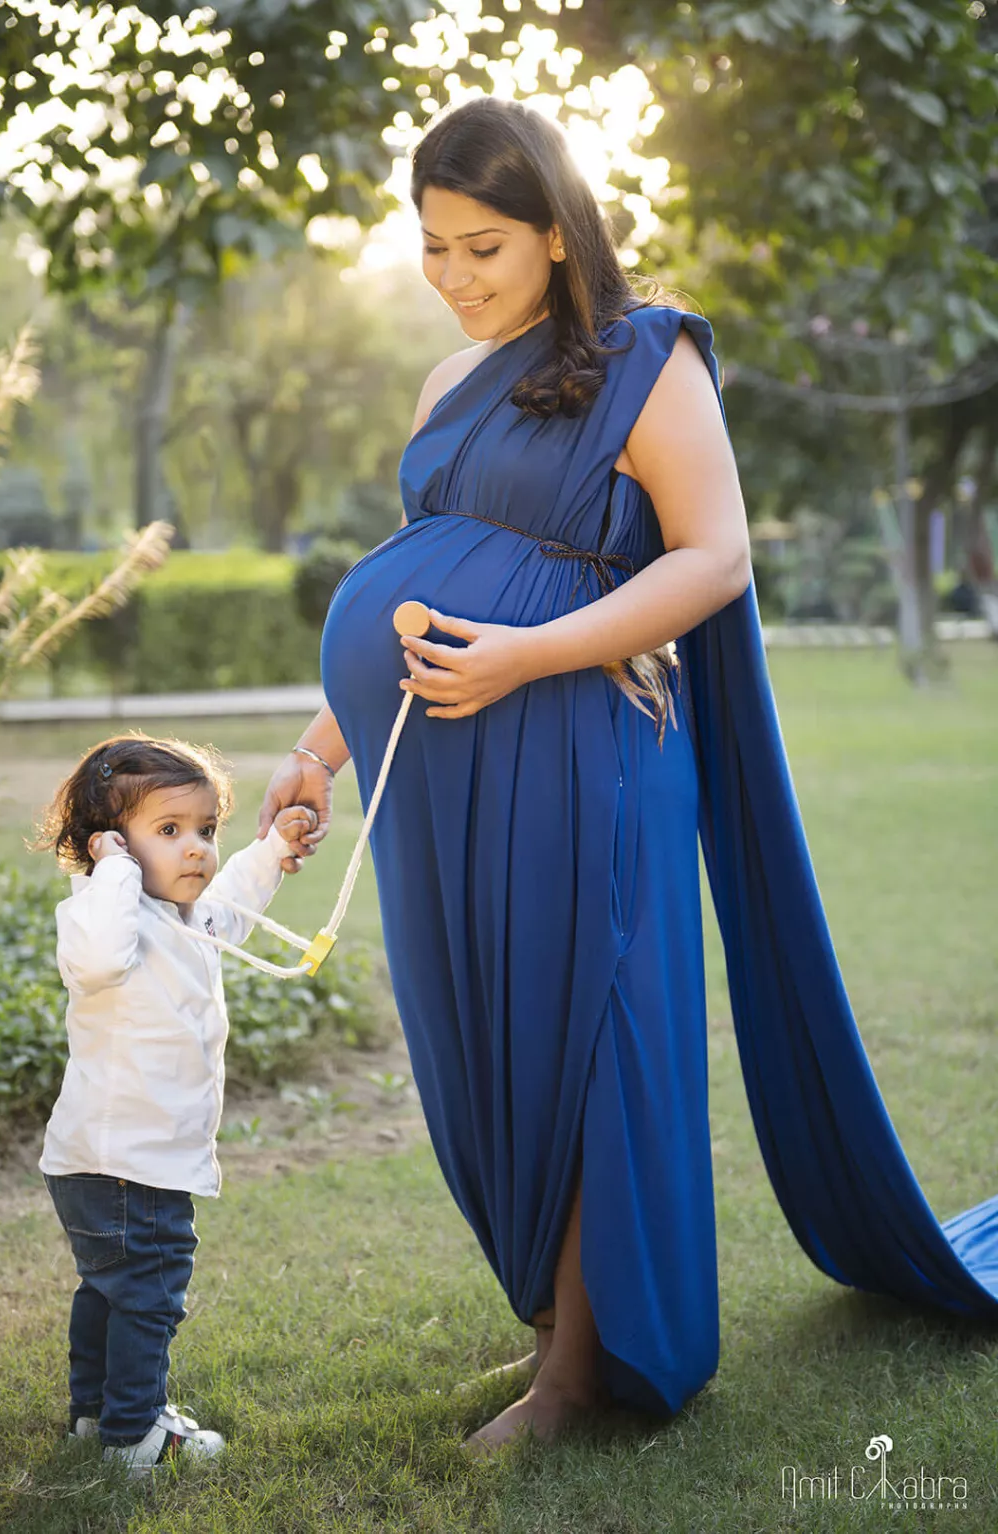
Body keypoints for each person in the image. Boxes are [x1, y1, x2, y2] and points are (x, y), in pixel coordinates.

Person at [258, 97, 998, 1454]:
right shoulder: (444, 386)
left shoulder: (648, 362)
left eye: (483, 246)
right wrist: (320, 748)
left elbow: (712, 557)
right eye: (431, 248)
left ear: (555, 230)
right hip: (447, 779)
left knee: (582, 1035)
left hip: (584, 754)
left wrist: (533, 653)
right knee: (488, 1041)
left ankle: (583, 1370)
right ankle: (560, 1322)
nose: (454, 277)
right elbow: (416, 604)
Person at [36, 734, 317, 1475]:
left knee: (110, 1291)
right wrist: (115, 872)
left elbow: (231, 903)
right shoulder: (106, 918)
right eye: (169, 832)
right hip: (125, 1163)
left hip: (122, 1159)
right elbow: (96, 958)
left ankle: (96, 1418)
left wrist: (269, 851)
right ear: (109, 847)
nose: (194, 849)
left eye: (204, 831)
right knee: (150, 1296)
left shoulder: (183, 920)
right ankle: (135, 1436)